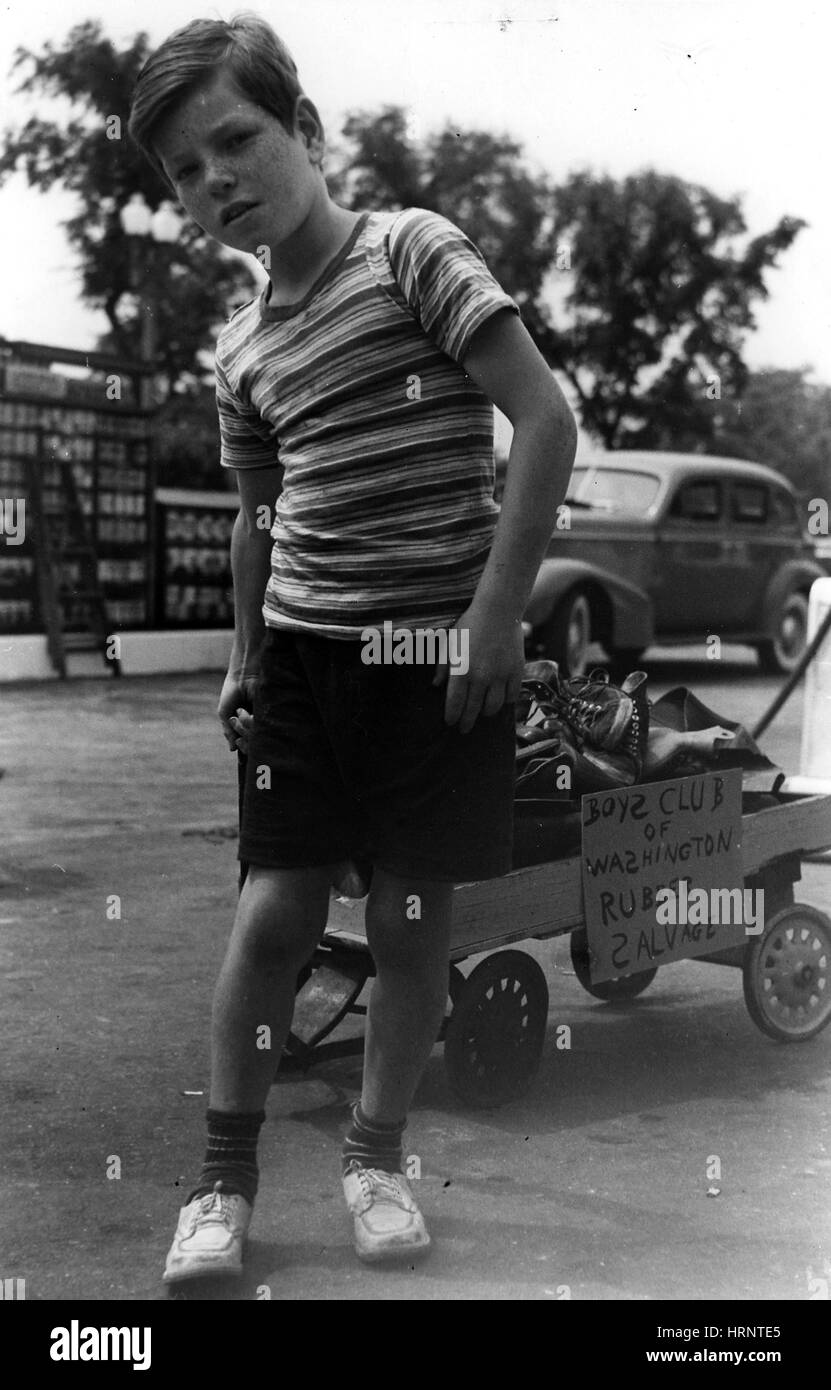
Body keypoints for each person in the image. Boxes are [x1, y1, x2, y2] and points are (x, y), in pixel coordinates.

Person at [128, 11, 577, 1282]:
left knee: (410, 921)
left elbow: (546, 421)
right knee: (273, 914)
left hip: (442, 663)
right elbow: (259, 520)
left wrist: (494, 618)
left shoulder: (411, 253)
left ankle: (377, 1157)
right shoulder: (242, 348)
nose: (216, 179)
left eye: (237, 139)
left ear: (308, 133)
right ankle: (221, 1186)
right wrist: (238, 659)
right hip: (309, 669)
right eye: (185, 170)